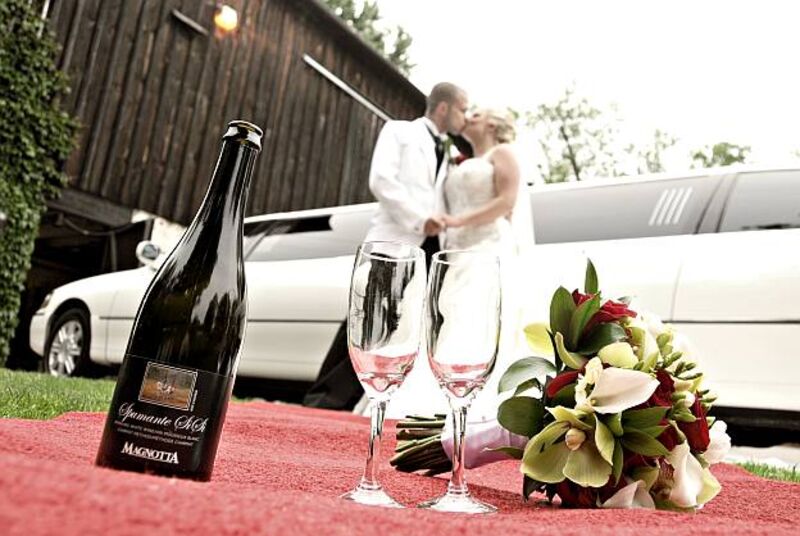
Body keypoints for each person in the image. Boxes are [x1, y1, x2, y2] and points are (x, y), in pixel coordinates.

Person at [302, 82, 470, 410]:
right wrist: (421, 220)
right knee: (367, 320)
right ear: (444, 107)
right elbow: (381, 181)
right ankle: (323, 401)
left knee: (396, 328)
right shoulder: (400, 132)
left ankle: (355, 402)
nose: (465, 117)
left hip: (425, 252)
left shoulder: (449, 153)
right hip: (392, 244)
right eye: (462, 109)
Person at [385, 107, 534, 420]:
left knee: (476, 315)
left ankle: (475, 403)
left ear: (493, 124)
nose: (469, 117)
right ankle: (437, 395)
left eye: (476, 114)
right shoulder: (461, 161)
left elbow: (506, 202)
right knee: (449, 315)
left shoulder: (503, 153)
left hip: (488, 246)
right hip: (456, 251)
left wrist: (457, 221)